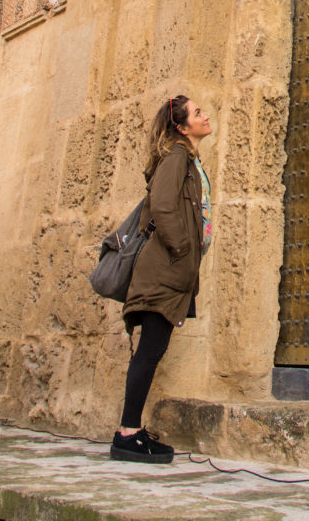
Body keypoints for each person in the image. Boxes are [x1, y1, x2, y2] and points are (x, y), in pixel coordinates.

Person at [110, 95, 212, 464]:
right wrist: (183, 249)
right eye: (198, 113)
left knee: (151, 350)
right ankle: (127, 434)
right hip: (164, 269)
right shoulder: (176, 158)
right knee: (150, 351)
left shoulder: (187, 159)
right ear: (182, 127)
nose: (205, 116)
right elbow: (164, 205)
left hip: (170, 269)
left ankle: (131, 431)